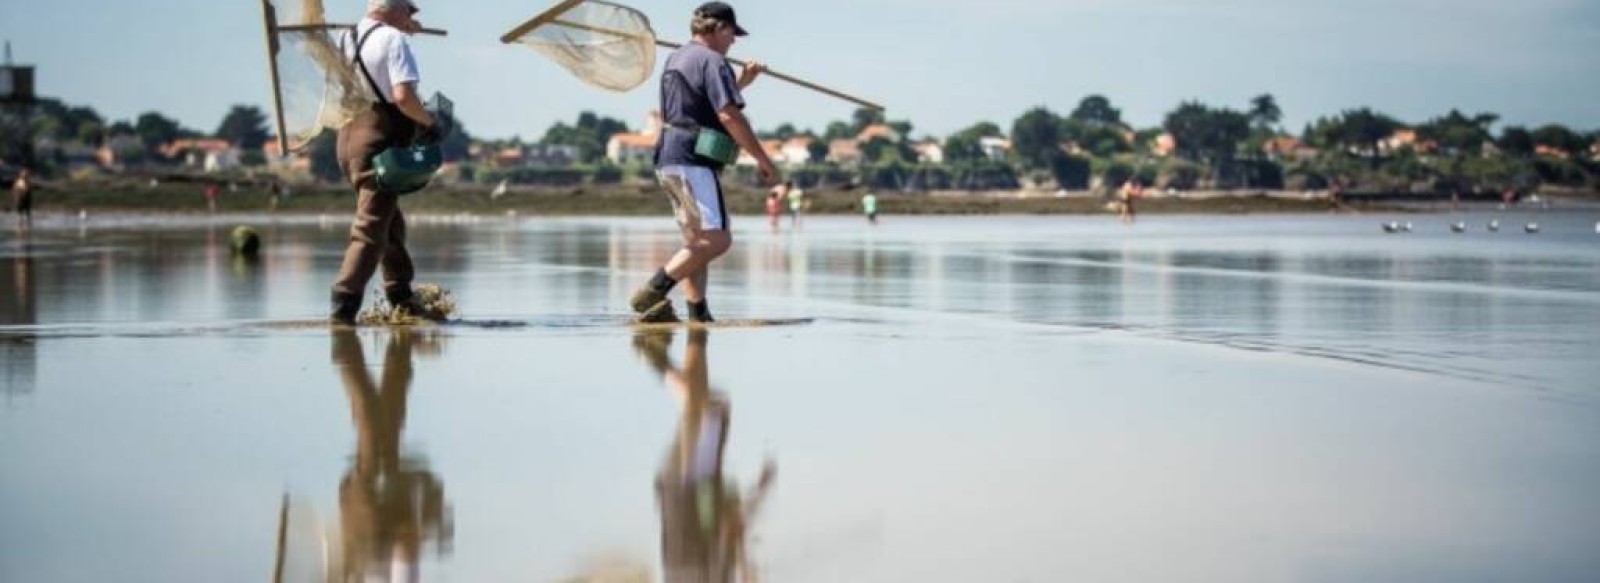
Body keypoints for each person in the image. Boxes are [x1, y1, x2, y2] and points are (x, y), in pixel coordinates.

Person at [628, 2, 778, 324]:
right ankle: (653, 291)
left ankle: (698, 314)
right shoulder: (713, 61)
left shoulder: (678, 57)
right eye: (732, 34)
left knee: (695, 244)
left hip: (669, 156)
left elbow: (700, 103)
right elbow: (728, 115)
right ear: (720, 28)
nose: (734, 41)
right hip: (693, 158)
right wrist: (762, 158)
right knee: (718, 239)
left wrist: (742, 81)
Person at [329, 0, 444, 325]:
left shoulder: (347, 37)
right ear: (391, 9)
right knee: (370, 230)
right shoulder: (394, 40)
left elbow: (367, 76)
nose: (412, 17)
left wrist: (403, 30)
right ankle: (343, 310)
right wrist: (430, 123)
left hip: (349, 142)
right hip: (379, 145)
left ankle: (401, 297)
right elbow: (402, 97)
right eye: (409, 11)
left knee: (390, 223)